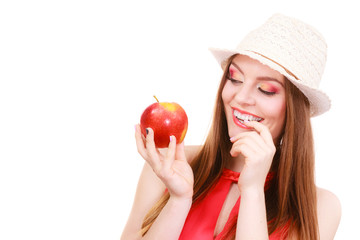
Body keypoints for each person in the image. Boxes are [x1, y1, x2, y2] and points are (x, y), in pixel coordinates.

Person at [121, 14, 341, 239]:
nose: (241, 97)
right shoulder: (168, 166)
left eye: (266, 89)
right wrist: (178, 202)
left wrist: (253, 192)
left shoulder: (320, 207)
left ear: (294, 111)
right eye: (235, 78)